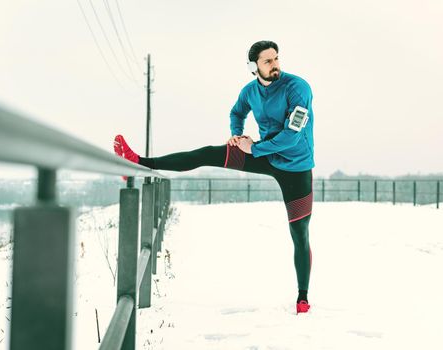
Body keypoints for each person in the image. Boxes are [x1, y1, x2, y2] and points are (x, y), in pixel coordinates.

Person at [114, 40, 315, 314]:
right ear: (253, 67)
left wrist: (254, 147)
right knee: (207, 153)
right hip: (263, 155)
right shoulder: (249, 91)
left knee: (299, 232)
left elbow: (293, 135)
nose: (276, 65)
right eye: (268, 61)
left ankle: (302, 297)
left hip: (296, 166)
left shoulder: (298, 88)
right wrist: (236, 133)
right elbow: (237, 112)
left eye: (276, 58)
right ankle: (138, 161)